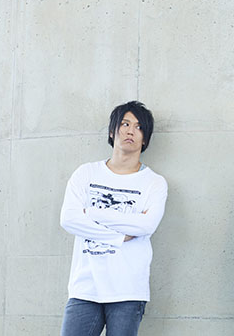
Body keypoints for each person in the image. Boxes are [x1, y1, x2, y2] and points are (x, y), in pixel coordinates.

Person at [59, 101, 168, 336]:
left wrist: (92, 213)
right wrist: (120, 236)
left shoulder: (154, 183)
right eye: (125, 124)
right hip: (85, 288)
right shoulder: (86, 173)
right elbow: (69, 219)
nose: (130, 131)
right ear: (112, 131)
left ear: (145, 139)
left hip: (128, 290)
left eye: (139, 127)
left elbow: (146, 225)